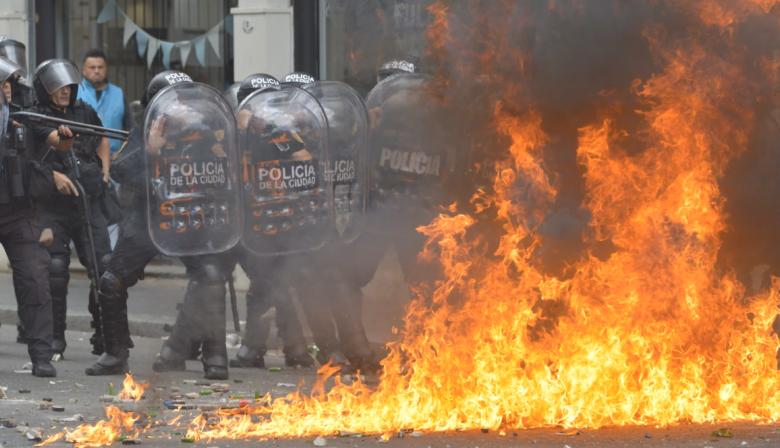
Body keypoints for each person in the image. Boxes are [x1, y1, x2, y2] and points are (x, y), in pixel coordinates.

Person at [85, 70, 193, 375]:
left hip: (189, 218)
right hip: (148, 220)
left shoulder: (203, 131)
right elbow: (119, 170)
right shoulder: (145, 131)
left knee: (210, 274)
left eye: (183, 101)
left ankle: (205, 353)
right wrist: (150, 150)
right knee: (110, 280)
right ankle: (115, 353)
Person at [228, 73, 313, 369]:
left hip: (278, 218)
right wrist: (241, 125)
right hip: (242, 221)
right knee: (262, 282)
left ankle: (271, 349)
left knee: (271, 282)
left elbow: (305, 161)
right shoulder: (232, 132)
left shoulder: (280, 134)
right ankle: (288, 348)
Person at [28, 59, 112, 359]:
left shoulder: (83, 111)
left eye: (69, 86)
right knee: (55, 269)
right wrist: (52, 176)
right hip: (52, 206)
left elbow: (102, 137)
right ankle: (55, 340)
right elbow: (31, 156)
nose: (65, 91)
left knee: (105, 268)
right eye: (58, 86)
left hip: (88, 201)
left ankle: (106, 335)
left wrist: (104, 171)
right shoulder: (36, 114)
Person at [77, 49, 131, 155]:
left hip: (115, 159)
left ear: (106, 70)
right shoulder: (75, 92)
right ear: (83, 70)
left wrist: (123, 154)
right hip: (84, 159)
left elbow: (130, 129)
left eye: (100, 67)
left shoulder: (118, 93)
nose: (97, 71)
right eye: (92, 67)